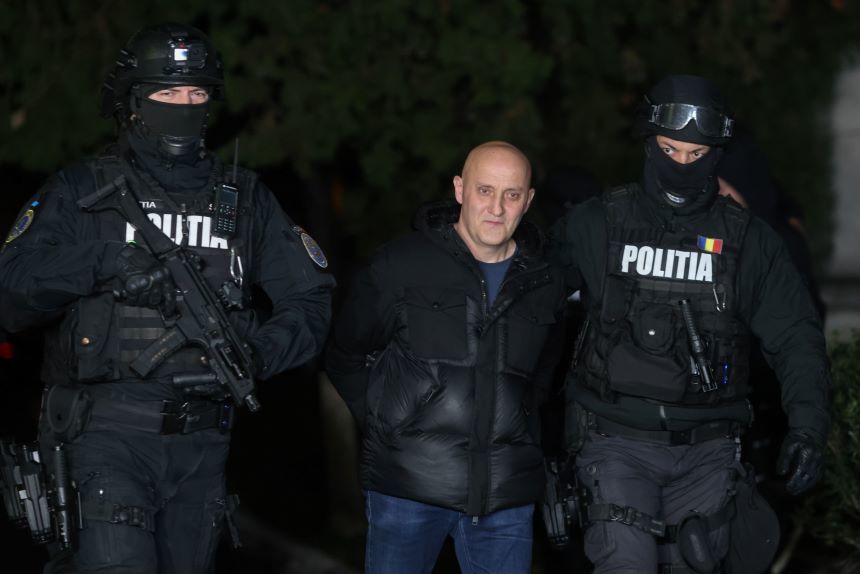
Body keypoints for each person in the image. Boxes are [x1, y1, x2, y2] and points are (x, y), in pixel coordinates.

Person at [0, 23, 334, 573]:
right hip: (104, 436)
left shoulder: (243, 198)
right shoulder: (83, 189)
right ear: (134, 101)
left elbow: (312, 300)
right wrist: (104, 263)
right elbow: (12, 290)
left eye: (196, 93)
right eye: (168, 92)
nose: (184, 106)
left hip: (202, 449)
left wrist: (259, 353)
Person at [549, 75, 831, 572]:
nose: (681, 164)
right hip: (615, 443)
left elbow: (795, 337)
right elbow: (526, 306)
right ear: (648, 143)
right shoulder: (597, 224)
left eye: (696, 154)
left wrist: (809, 427)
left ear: (717, 153)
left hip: (709, 453)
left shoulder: (749, 242)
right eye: (669, 150)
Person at [325, 141, 567, 574]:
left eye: (512, 194)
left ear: (528, 200)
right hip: (408, 488)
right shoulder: (400, 265)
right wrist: (388, 423)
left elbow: (542, 378)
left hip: (505, 499)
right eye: (484, 190)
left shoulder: (545, 282)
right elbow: (346, 354)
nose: (497, 207)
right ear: (459, 189)